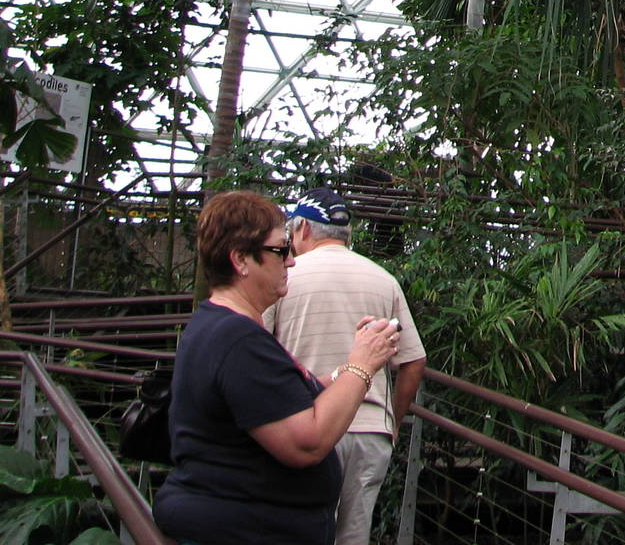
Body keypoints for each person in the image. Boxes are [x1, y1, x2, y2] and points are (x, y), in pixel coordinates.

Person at [154, 191, 401, 545]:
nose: (291, 262)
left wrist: (346, 367)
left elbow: (272, 402)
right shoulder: (237, 339)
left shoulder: (221, 325)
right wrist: (362, 366)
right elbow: (306, 443)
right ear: (241, 260)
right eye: (279, 250)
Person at [266, 187, 427, 545]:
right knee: (353, 536)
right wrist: (392, 422)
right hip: (370, 434)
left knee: (298, 530)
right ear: (347, 234)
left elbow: (255, 346)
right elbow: (413, 362)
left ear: (302, 230)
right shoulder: (384, 280)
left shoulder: (282, 277)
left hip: (306, 428)